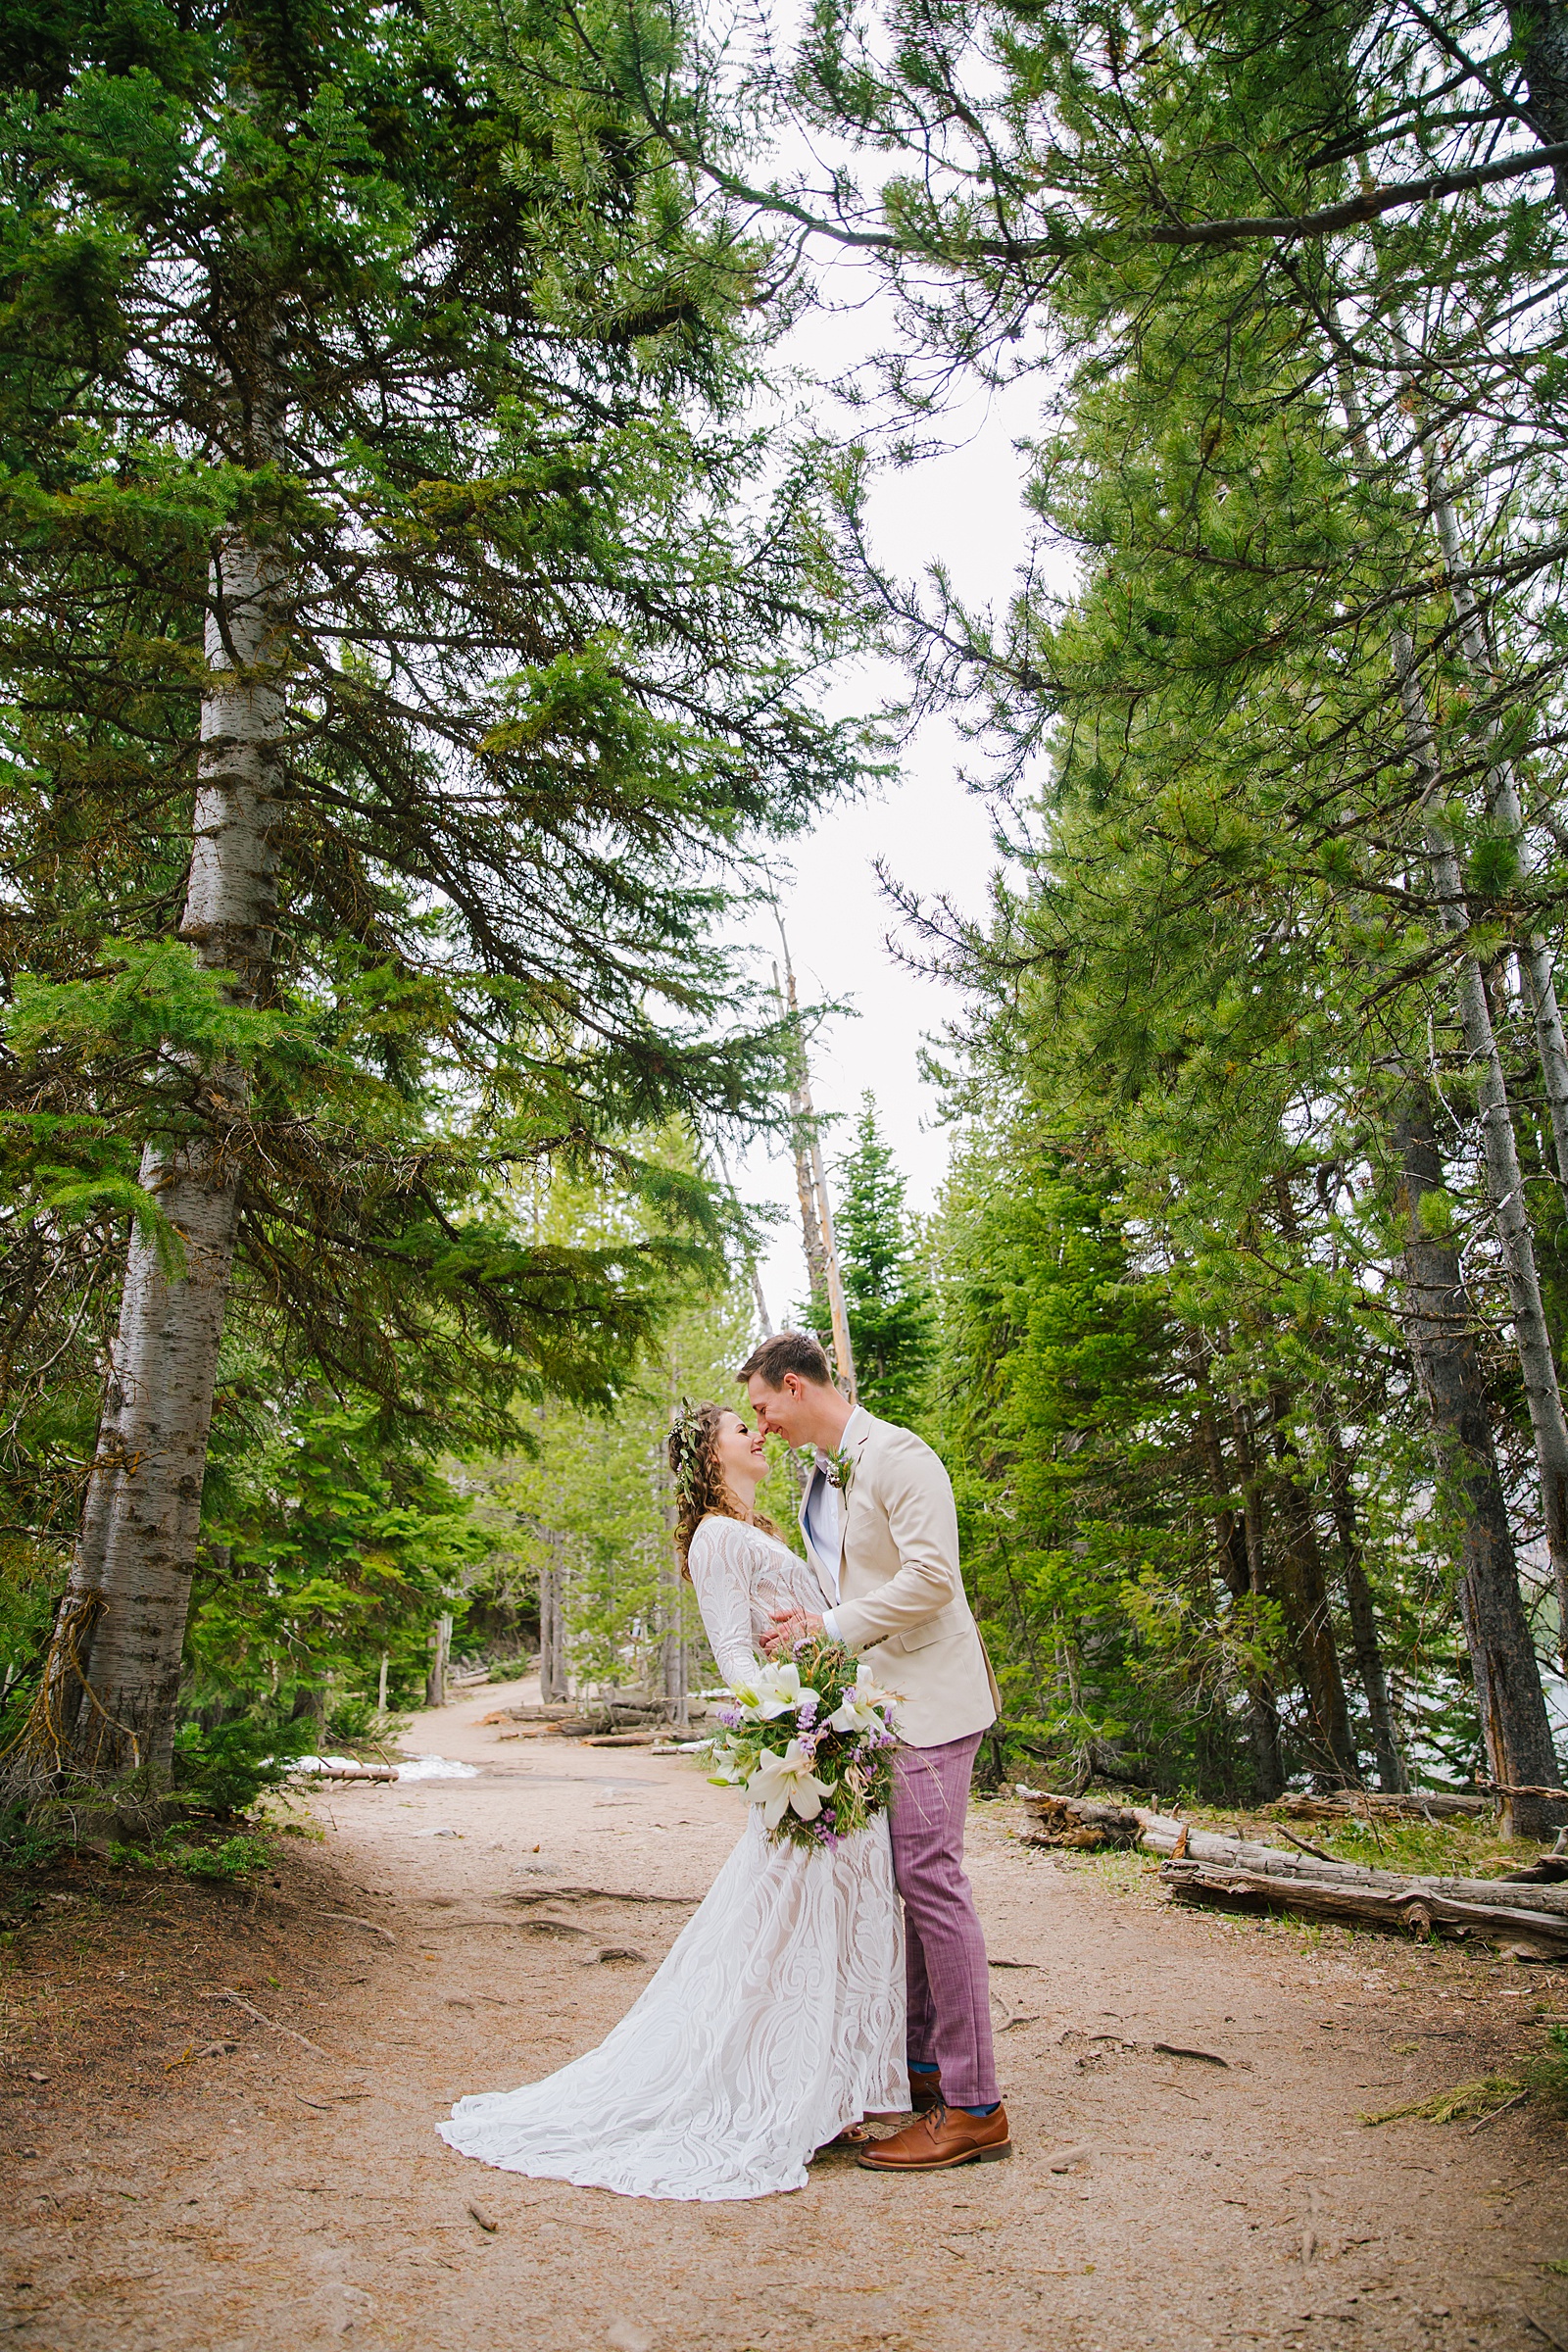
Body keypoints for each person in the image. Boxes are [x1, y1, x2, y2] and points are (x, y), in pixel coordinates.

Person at [435, 1400, 906, 2201]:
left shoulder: (759, 1528)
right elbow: (731, 1650)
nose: (759, 1433)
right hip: (803, 1744)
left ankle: (832, 2083)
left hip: (832, 1735)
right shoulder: (719, 1537)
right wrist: (793, 1729)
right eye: (739, 1429)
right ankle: (799, 2087)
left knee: (817, 1916)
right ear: (710, 1458)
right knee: (793, 1918)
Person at [742, 1330, 1010, 2173]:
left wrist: (831, 1626)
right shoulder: (827, 1473)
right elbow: (854, 1586)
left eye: (761, 1406)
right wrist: (810, 1632)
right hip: (882, 1706)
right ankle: (925, 2066)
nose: (759, 1426)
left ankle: (975, 2107)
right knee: (906, 1881)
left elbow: (934, 1577)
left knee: (933, 1881)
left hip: (934, 1702)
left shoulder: (900, 1456)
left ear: (794, 1385)